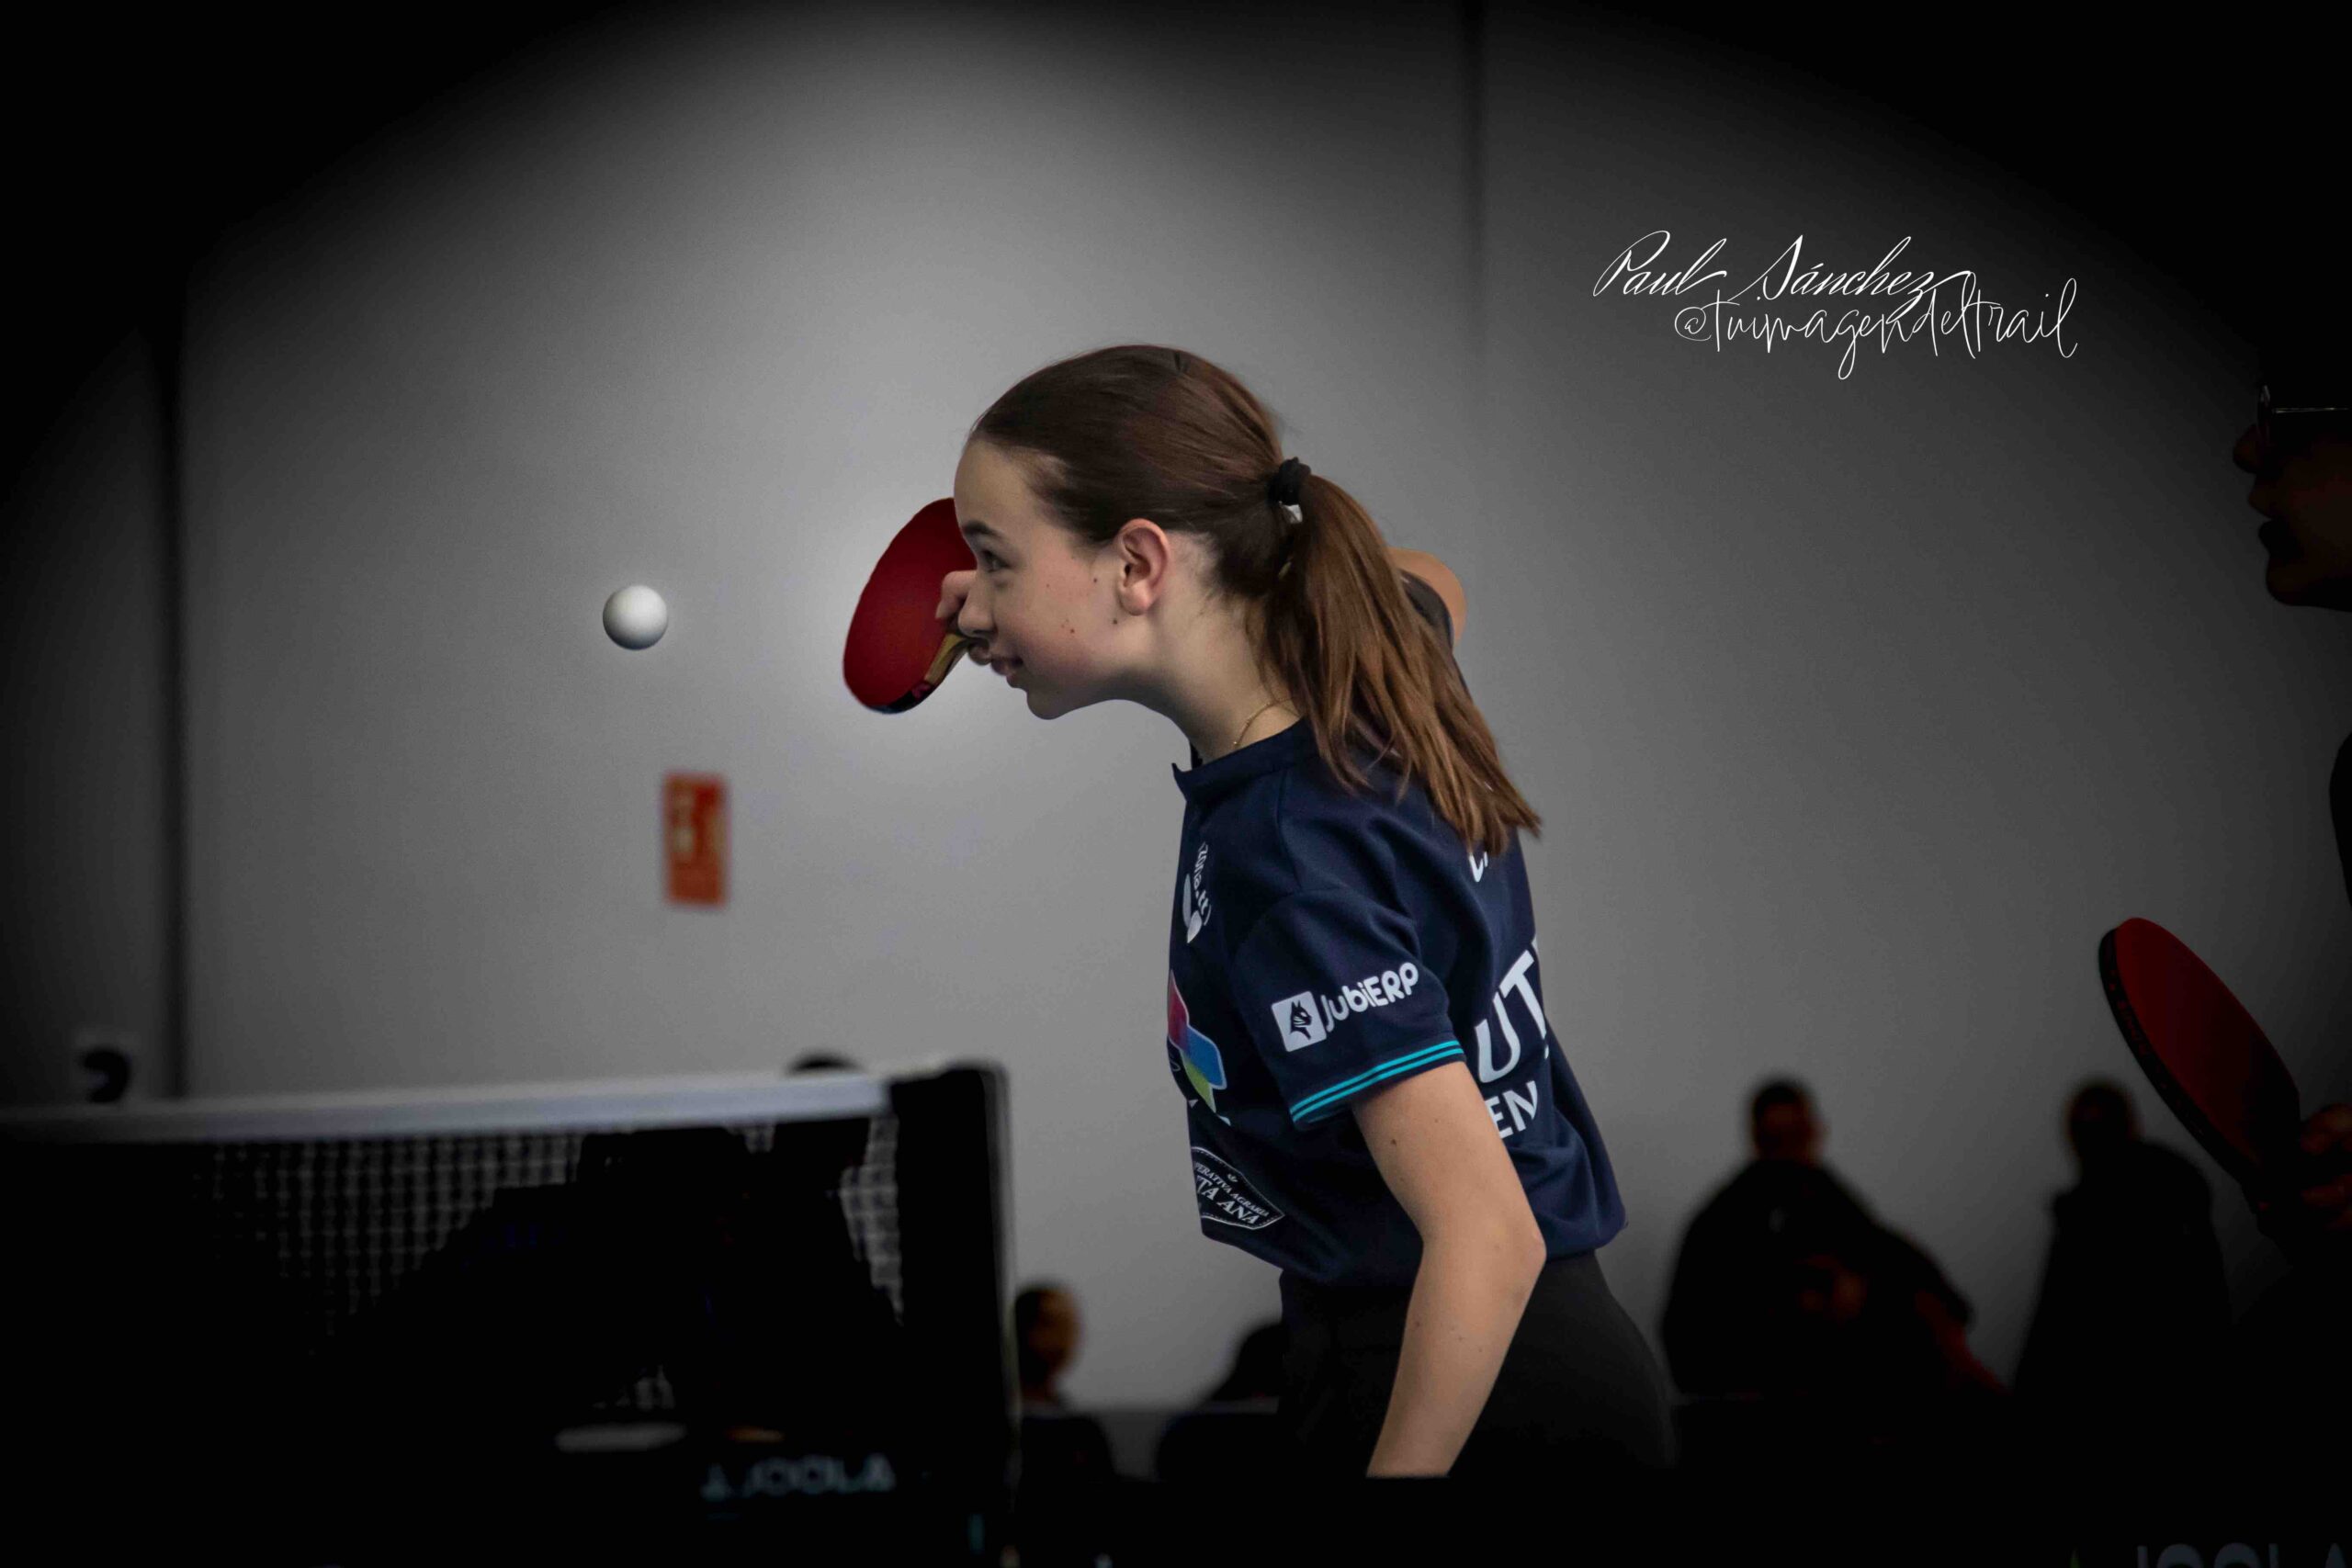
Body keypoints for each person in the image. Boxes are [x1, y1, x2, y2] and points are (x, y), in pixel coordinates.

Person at [933, 345, 1676, 1499]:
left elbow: (1486, 1237)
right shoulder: (1376, 663)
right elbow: (1427, 578)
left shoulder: (1287, 858)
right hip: (1518, 1363)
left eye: (992, 559)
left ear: (1137, 563)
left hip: (1467, 1392)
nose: (967, 603)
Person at [1658, 1079, 2003, 1484]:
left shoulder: (1838, 1210)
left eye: (1798, 1135)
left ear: (1816, 1132)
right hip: (1769, 1418)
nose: (1790, 1151)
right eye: (1777, 1138)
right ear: (1757, 1139)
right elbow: (1688, 1341)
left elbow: (1921, 1285)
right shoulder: (1722, 1226)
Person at [2012, 1077, 2233, 1481]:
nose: (2090, 1140)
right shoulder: (2094, 1211)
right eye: (2085, 1128)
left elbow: (2056, 1323)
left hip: (2147, 1415)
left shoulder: (2120, 1208)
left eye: (2099, 1126)